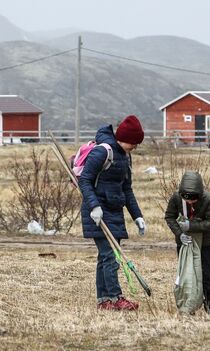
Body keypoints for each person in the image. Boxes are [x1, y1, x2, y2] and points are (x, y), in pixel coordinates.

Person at [79, 115, 146, 311]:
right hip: (97, 212)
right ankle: (115, 298)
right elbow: (85, 180)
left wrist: (137, 216)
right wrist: (94, 207)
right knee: (111, 256)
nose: (135, 147)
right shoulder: (102, 152)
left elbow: (127, 189)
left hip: (114, 210)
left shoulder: (125, 156)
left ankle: (104, 300)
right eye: (133, 143)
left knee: (105, 257)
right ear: (123, 138)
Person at [164, 170, 210, 315]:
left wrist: (192, 226)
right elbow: (169, 216)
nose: (190, 202)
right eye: (187, 199)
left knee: (206, 275)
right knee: (185, 274)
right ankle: (187, 305)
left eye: (193, 199)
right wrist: (179, 233)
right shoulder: (176, 198)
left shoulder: (208, 199)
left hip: (204, 244)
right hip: (184, 243)